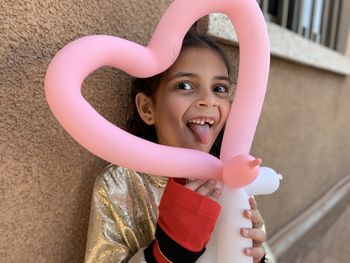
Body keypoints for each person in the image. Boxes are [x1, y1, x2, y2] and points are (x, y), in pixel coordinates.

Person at [84, 29, 268, 263]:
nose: (209, 100)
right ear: (147, 109)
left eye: (219, 89)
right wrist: (167, 253)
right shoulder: (119, 184)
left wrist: (256, 257)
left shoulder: (230, 179)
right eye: (184, 85)